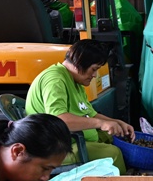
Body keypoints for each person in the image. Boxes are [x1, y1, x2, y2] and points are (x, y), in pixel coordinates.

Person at [25, 39, 134, 173]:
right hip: (55, 147)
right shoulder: (55, 80)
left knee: (119, 137)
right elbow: (59, 120)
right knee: (114, 154)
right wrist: (100, 124)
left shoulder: (75, 80)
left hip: (74, 139)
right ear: (79, 62)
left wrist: (117, 122)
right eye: (94, 69)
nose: (94, 75)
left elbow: (90, 113)